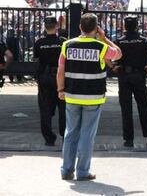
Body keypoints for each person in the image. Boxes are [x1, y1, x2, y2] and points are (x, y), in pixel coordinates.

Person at [58, 13, 122, 180]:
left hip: (71, 95)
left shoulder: (67, 45)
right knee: (87, 134)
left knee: (71, 132)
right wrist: (104, 38)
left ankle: (66, 170)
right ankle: (82, 172)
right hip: (93, 98)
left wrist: (60, 90)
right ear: (96, 28)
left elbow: (60, 71)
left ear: (80, 27)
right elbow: (119, 54)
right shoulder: (101, 47)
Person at [108, 16, 147, 147]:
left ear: (124, 26)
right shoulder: (143, 40)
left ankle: (128, 139)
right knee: (144, 107)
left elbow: (105, 56)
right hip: (138, 76)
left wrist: (113, 67)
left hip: (124, 76)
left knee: (126, 108)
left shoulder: (119, 41)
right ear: (137, 26)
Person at [33, 16, 66, 146]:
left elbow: (37, 61)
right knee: (63, 108)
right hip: (60, 77)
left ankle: (48, 138)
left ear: (45, 27)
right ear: (57, 25)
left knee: (45, 109)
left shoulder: (39, 43)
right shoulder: (63, 42)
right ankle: (64, 135)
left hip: (45, 78)